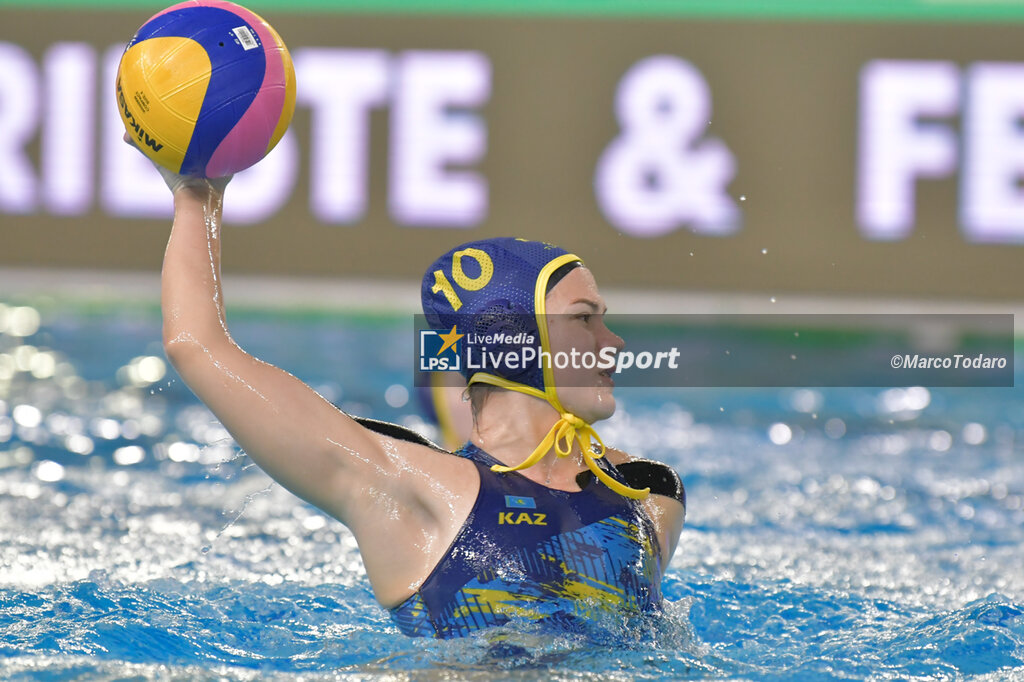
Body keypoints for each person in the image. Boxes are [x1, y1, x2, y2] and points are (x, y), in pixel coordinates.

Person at [151, 161, 686, 639]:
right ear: (515, 339)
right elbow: (197, 345)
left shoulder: (649, 494)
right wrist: (196, 190)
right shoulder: (403, 489)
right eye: (584, 318)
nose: (613, 342)